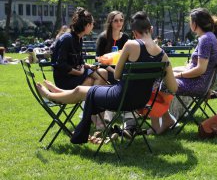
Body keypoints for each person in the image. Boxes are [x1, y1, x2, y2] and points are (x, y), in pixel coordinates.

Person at [36, 11, 178, 144]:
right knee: (89, 86)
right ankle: (60, 94)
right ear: (151, 29)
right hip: (141, 101)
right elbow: (173, 87)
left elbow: (117, 75)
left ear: (134, 33)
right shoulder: (163, 55)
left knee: (82, 90)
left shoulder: (130, 45)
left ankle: (51, 95)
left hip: (120, 98)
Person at [151, 7, 217, 134]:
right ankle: (165, 119)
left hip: (197, 84)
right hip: (200, 82)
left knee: (158, 82)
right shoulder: (210, 37)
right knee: (162, 77)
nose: (189, 24)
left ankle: (163, 120)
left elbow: (200, 69)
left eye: (190, 21)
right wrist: (176, 72)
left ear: (195, 23)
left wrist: (179, 74)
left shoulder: (205, 39)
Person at [51, 7, 108, 90]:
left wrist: (89, 66)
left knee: (103, 73)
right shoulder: (67, 39)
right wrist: (79, 73)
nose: (93, 26)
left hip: (76, 74)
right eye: (92, 24)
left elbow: (79, 61)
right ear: (88, 25)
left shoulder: (79, 38)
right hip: (65, 79)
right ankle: (92, 101)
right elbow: (61, 65)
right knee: (90, 81)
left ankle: (94, 100)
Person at [96, 10, 128, 83]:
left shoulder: (125, 37)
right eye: (116, 21)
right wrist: (114, 71)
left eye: (121, 20)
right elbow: (98, 59)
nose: (119, 23)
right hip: (107, 69)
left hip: (121, 69)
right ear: (110, 22)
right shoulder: (103, 38)